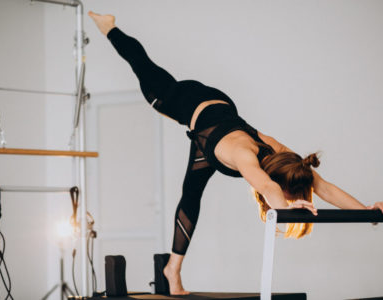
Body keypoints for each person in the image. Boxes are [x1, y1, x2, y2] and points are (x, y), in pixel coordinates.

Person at [88, 11, 383, 295]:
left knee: (191, 193)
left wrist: (368, 211)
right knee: (142, 65)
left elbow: (325, 188)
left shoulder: (280, 153)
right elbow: (267, 187)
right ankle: (109, 27)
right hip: (178, 101)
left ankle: (172, 270)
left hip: (216, 106)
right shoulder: (246, 157)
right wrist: (287, 207)